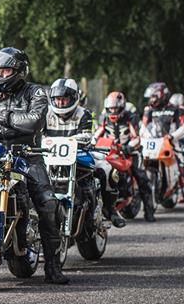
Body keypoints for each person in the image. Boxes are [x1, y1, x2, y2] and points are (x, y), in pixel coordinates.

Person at [0, 47, 69, 284]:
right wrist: (14, 126)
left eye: (6, 70)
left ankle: (53, 266)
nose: (1, 75)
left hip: (29, 156)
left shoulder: (36, 93)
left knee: (47, 204)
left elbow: (34, 122)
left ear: (20, 71)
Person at [45, 78, 125, 227]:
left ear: (74, 98)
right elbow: (37, 133)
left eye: (64, 99)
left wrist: (64, 141)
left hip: (78, 153)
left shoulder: (84, 113)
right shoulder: (46, 113)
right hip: (49, 156)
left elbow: (87, 135)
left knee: (106, 169)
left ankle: (110, 209)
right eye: (57, 100)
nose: (61, 103)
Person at [93, 91, 156, 222]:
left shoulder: (130, 117)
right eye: (110, 108)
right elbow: (96, 135)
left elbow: (137, 138)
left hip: (130, 152)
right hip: (111, 152)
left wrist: (128, 147)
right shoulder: (104, 118)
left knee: (141, 176)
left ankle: (149, 211)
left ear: (121, 107)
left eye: (115, 108)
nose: (113, 111)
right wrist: (91, 144)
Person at [140, 82, 184, 211]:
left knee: (181, 164)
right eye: (150, 97)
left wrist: (172, 136)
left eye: (154, 97)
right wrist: (146, 136)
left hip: (171, 142)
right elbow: (143, 126)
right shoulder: (148, 110)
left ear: (162, 95)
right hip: (153, 143)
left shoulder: (176, 109)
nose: (151, 100)